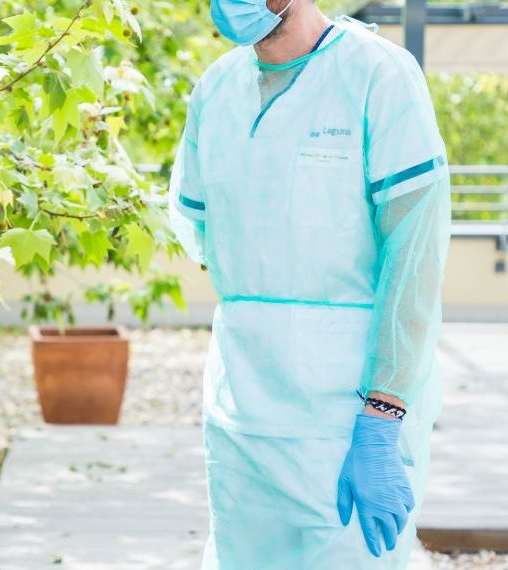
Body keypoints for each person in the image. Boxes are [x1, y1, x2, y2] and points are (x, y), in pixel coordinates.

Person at [168, 1, 451, 568]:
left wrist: (383, 415)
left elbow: (415, 257)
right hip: (242, 419)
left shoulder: (378, 75)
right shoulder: (216, 89)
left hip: (344, 423)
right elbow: (200, 230)